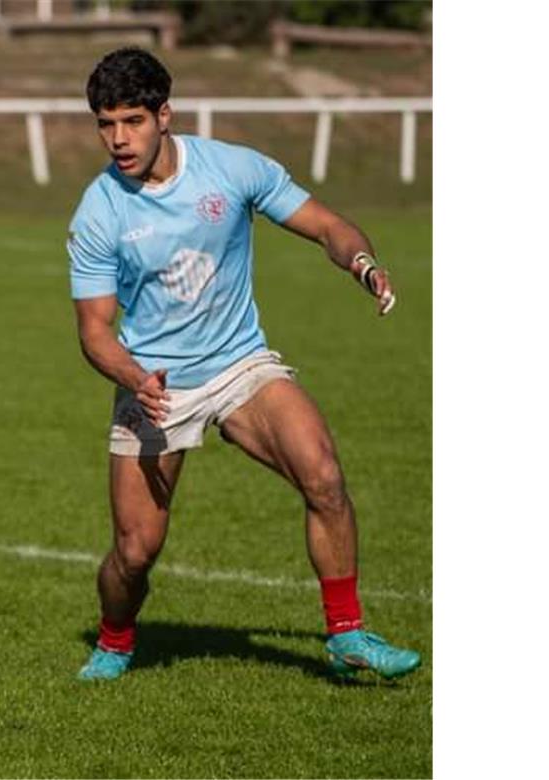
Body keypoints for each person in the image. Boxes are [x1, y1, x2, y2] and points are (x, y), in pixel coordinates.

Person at [67, 48, 419, 681]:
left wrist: (361, 262)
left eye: (132, 121)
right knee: (135, 552)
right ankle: (115, 638)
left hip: (239, 364)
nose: (117, 139)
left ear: (164, 115)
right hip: (155, 382)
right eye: (105, 123)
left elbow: (326, 225)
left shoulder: (231, 169)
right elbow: (94, 332)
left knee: (324, 475)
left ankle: (348, 633)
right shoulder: (100, 210)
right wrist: (134, 379)